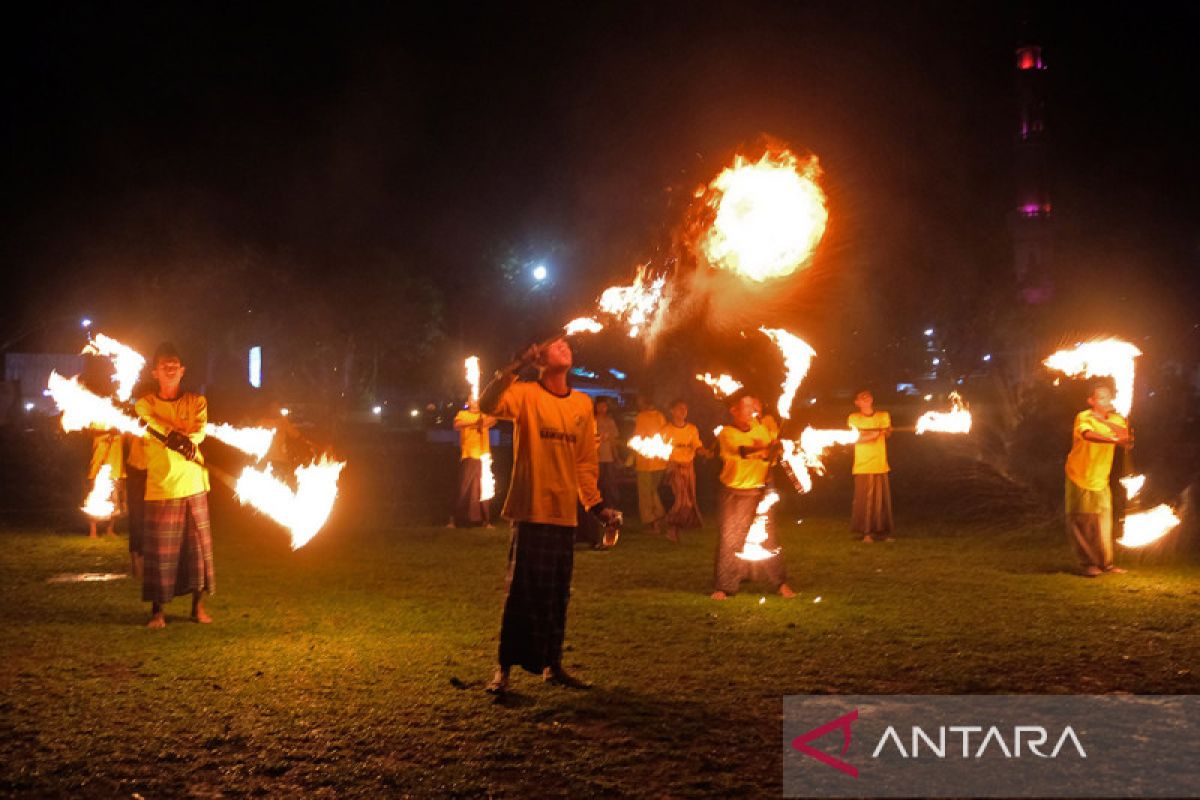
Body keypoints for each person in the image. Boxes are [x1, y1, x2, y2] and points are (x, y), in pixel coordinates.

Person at [479, 337, 620, 694]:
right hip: (530, 510)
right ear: (539, 357)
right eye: (554, 345)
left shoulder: (582, 403)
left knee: (557, 594)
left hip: (563, 516)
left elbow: (585, 461)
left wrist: (596, 505)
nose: (564, 347)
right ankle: (504, 671)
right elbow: (487, 403)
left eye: (565, 345)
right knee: (522, 593)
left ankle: (552, 665)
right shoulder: (525, 393)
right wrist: (516, 364)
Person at [134, 343, 215, 629]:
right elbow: (152, 426)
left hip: (193, 485)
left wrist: (186, 440)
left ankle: (198, 607)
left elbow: (199, 432)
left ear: (182, 370)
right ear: (155, 372)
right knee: (160, 555)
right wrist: (174, 435)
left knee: (197, 554)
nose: (170, 368)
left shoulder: (197, 401)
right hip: (162, 488)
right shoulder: (144, 404)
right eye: (164, 365)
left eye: (175, 364)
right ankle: (158, 612)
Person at [713, 392, 796, 600]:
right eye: (747, 407)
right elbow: (741, 451)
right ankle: (724, 587)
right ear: (734, 410)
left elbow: (770, 457)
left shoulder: (760, 429)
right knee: (730, 541)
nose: (752, 411)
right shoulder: (727, 433)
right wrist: (766, 447)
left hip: (758, 493)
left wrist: (776, 450)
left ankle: (781, 584)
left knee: (769, 540)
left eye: (753, 407)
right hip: (735, 494)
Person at [1064, 384, 1132, 577]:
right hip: (1079, 475)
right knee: (1083, 521)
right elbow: (1088, 435)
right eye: (1101, 398)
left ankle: (1106, 564)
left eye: (1108, 397)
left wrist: (1104, 420)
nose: (1106, 400)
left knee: (1103, 523)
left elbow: (1124, 436)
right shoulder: (1083, 417)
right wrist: (1112, 440)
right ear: (1091, 401)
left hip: (1101, 479)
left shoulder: (1117, 419)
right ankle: (1087, 564)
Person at [848, 389, 894, 543]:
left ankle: (883, 533)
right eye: (861, 397)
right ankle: (866, 533)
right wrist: (873, 435)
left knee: (881, 501)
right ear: (857, 403)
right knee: (865, 501)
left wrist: (884, 431)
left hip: (880, 463)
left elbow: (887, 434)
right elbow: (856, 438)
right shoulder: (854, 418)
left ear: (872, 399)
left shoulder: (883, 416)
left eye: (867, 396)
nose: (865, 398)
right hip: (863, 465)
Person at [661, 399, 706, 542]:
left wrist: (703, 451)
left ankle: (676, 528)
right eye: (679, 408)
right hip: (674, 467)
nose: (683, 412)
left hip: (689, 466)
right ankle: (670, 526)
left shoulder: (692, 429)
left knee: (689, 500)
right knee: (682, 501)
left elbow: (697, 446)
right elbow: (661, 449)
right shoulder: (666, 430)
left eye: (685, 409)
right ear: (672, 411)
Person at [451, 399, 497, 527]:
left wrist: (480, 421)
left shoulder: (485, 413)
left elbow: (492, 421)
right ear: (468, 402)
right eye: (473, 400)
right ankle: (455, 519)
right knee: (464, 487)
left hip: (484, 456)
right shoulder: (463, 414)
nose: (475, 402)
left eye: (477, 400)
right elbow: (457, 425)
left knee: (484, 488)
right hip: (469, 455)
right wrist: (477, 422)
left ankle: (486, 520)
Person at [633, 393, 668, 533]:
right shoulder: (661, 416)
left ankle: (652, 521)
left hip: (645, 461)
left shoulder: (641, 417)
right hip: (659, 461)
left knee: (646, 493)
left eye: (639, 401)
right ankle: (659, 518)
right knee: (652, 491)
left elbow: (638, 436)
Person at [84, 429, 125, 538]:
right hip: (99, 465)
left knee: (115, 501)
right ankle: (93, 531)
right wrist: (108, 431)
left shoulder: (120, 419)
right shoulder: (99, 419)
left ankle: (110, 530)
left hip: (115, 466)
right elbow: (91, 430)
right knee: (95, 498)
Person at [594, 397, 621, 511]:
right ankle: (596, 505)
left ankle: (610, 506)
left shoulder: (610, 421)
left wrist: (616, 456)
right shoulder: (591, 421)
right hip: (595, 458)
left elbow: (613, 441)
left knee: (609, 483)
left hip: (608, 458)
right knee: (596, 483)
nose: (603, 408)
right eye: (600, 405)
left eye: (605, 406)